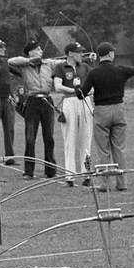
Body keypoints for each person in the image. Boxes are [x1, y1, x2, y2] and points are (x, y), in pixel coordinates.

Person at [81, 42, 134, 191]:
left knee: (103, 149)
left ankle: (105, 184)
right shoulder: (121, 70)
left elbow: (82, 93)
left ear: (99, 55)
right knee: (119, 148)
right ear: (111, 54)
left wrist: (77, 87)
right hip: (119, 110)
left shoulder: (94, 73)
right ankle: (122, 183)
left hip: (101, 112)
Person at [7, 41, 65, 177]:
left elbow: (64, 62)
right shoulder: (24, 65)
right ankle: (29, 171)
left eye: (40, 49)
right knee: (30, 137)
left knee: (49, 137)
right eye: (37, 49)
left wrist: (85, 58)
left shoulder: (49, 63)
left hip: (47, 100)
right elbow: (10, 61)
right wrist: (29, 60)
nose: (40, 51)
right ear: (30, 52)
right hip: (32, 101)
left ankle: (50, 171)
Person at [53, 42, 94, 185]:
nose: (81, 55)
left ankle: (87, 174)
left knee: (86, 138)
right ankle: (69, 176)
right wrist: (74, 90)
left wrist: (84, 91)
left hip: (85, 101)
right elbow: (57, 86)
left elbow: (93, 86)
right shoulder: (60, 67)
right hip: (69, 102)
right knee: (70, 139)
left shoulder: (85, 67)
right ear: (70, 53)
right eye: (78, 52)